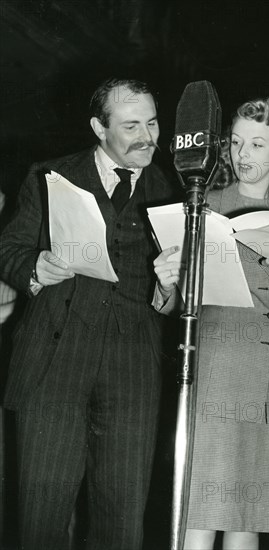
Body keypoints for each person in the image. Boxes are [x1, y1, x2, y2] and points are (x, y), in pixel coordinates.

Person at [0, 77, 177, 550]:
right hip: (55, 361)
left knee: (122, 522)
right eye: (132, 125)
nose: (148, 136)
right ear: (99, 127)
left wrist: (168, 286)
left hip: (133, 366)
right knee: (42, 517)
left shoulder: (173, 190)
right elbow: (10, 248)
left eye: (154, 122)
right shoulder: (50, 174)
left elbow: (175, 299)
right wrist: (33, 267)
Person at [154, 97, 269, 550]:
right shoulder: (204, 208)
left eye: (258, 144)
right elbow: (175, 297)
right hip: (217, 375)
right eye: (237, 143)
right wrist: (166, 281)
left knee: (249, 520)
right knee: (200, 514)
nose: (244, 155)